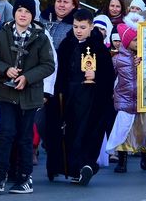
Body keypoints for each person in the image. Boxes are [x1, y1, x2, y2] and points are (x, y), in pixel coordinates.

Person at [0, 0, 55, 194]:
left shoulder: (41, 37)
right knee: (6, 133)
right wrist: (6, 69)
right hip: (7, 92)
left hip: (30, 95)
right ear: (14, 12)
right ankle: (1, 175)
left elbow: (48, 65)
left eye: (27, 11)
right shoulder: (3, 33)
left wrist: (27, 77)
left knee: (25, 137)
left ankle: (25, 178)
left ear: (32, 15)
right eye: (19, 10)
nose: (23, 14)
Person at [46, 9, 115, 185]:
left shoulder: (99, 48)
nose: (78, 30)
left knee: (88, 133)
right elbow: (59, 71)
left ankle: (87, 165)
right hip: (69, 96)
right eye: (76, 26)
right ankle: (73, 168)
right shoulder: (66, 45)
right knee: (70, 132)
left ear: (91, 27)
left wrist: (96, 75)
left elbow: (108, 75)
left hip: (92, 98)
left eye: (83, 27)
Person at [106, 13, 146, 173]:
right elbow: (111, 77)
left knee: (143, 131)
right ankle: (122, 160)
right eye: (134, 40)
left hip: (142, 100)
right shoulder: (117, 59)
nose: (138, 43)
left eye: (140, 39)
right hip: (124, 100)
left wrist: (142, 64)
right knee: (123, 130)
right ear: (126, 41)